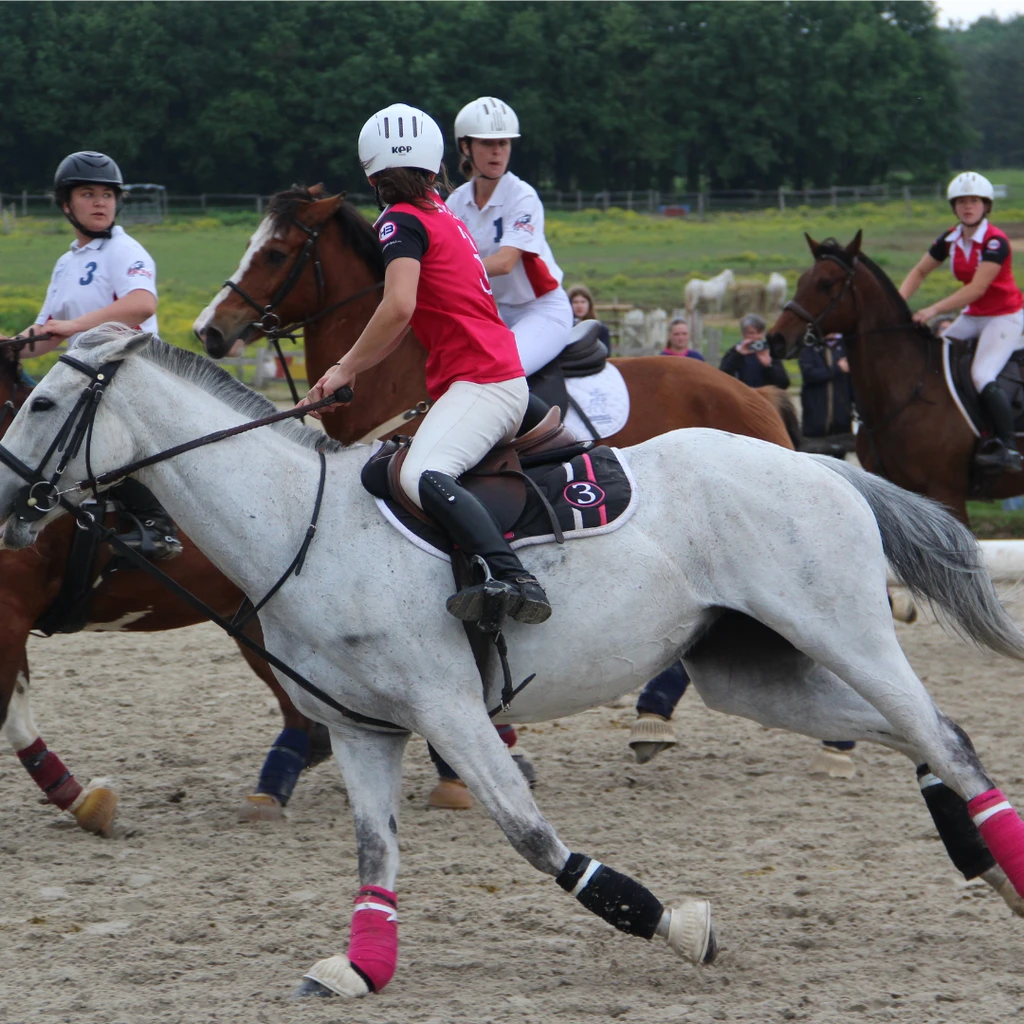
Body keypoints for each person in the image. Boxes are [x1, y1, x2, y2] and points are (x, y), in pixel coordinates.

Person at [301, 103, 550, 626]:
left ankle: (512, 576)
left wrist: (343, 367)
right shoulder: (445, 217)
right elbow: (401, 323)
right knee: (377, 475)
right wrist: (348, 372)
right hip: (492, 378)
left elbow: (396, 307)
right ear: (436, 162)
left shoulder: (398, 222)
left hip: (483, 383)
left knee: (422, 473)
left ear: (370, 172)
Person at [0, 150, 180, 559]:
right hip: (87, 375)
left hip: (131, 371)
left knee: (88, 430)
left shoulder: (125, 250)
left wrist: (74, 327)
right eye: (88, 193)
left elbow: (141, 304)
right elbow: (46, 334)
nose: (100, 202)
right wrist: (10, 344)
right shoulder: (67, 263)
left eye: (107, 194)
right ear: (66, 204)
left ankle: (158, 525)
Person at [899, 171, 1024, 472]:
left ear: (986, 206)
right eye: (962, 202)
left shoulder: (996, 242)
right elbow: (918, 272)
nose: (968, 207)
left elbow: (977, 289)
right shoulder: (949, 239)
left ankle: (1008, 448)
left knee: (981, 374)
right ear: (954, 206)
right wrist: (897, 305)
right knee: (934, 358)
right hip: (974, 316)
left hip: (1004, 316)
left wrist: (931, 310)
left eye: (975, 201)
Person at [446, 96, 574, 377]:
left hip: (541, 311)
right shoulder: (455, 202)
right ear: (465, 146)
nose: (497, 152)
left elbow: (504, 263)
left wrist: (445, 270)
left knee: (502, 374)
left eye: (503, 143)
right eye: (487, 143)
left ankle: (549, 424)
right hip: (493, 314)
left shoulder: (523, 196)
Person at [798, 333, 852, 440]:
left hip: (842, 421)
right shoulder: (809, 348)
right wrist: (837, 369)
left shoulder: (846, 347)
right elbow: (810, 375)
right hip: (815, 421)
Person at [719, 314, 789, 388]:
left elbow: (784, 384)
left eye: (759, 333)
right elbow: (722, 377)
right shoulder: (735, 352)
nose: (755, 337)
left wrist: (769, 366)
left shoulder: (769, 352)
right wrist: (737, 355)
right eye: (751, 333)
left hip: (764, 396)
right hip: (743, 394)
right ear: (743, 334)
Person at [567, 284, 611, 353]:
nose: (579, 306)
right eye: (575, 302)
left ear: (589, 304)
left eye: (583, 302)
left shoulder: (600, 329)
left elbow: (606, 354)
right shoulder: (565, 329)